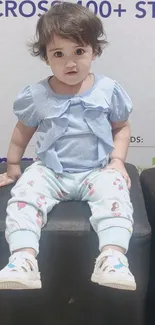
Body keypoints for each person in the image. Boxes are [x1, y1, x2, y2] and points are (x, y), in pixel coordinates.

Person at [0, 2, 136, 291]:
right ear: (46, 58)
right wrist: (13, 167)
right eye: (58, 54)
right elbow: (20, 133)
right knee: (24, 196)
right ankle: (22, 259)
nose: (69, 63)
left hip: (96, 170)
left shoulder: (108, 90)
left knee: (116, 193)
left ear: (94, 52)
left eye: (79, 52)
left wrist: (118, 161)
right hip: (51, 171)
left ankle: (113, 257)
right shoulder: (37, 95)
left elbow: (121, 127)